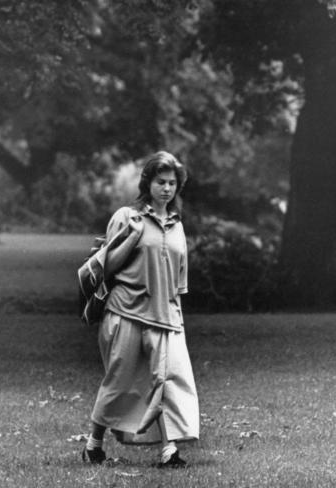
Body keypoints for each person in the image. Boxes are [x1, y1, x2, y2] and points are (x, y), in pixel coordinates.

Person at [83, 151, 199, 468]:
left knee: (167, 384)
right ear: (148, 183)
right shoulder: (126, 217)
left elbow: (179, 281)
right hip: (125, 314)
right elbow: (105, 266)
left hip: (166, 317)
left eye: (172, 183)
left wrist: (176, 315)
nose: (166, 189)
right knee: (118, 383)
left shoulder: (177, 226)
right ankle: (93, 445)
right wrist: (133, 235)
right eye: (160, 182)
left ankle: (169, 451)